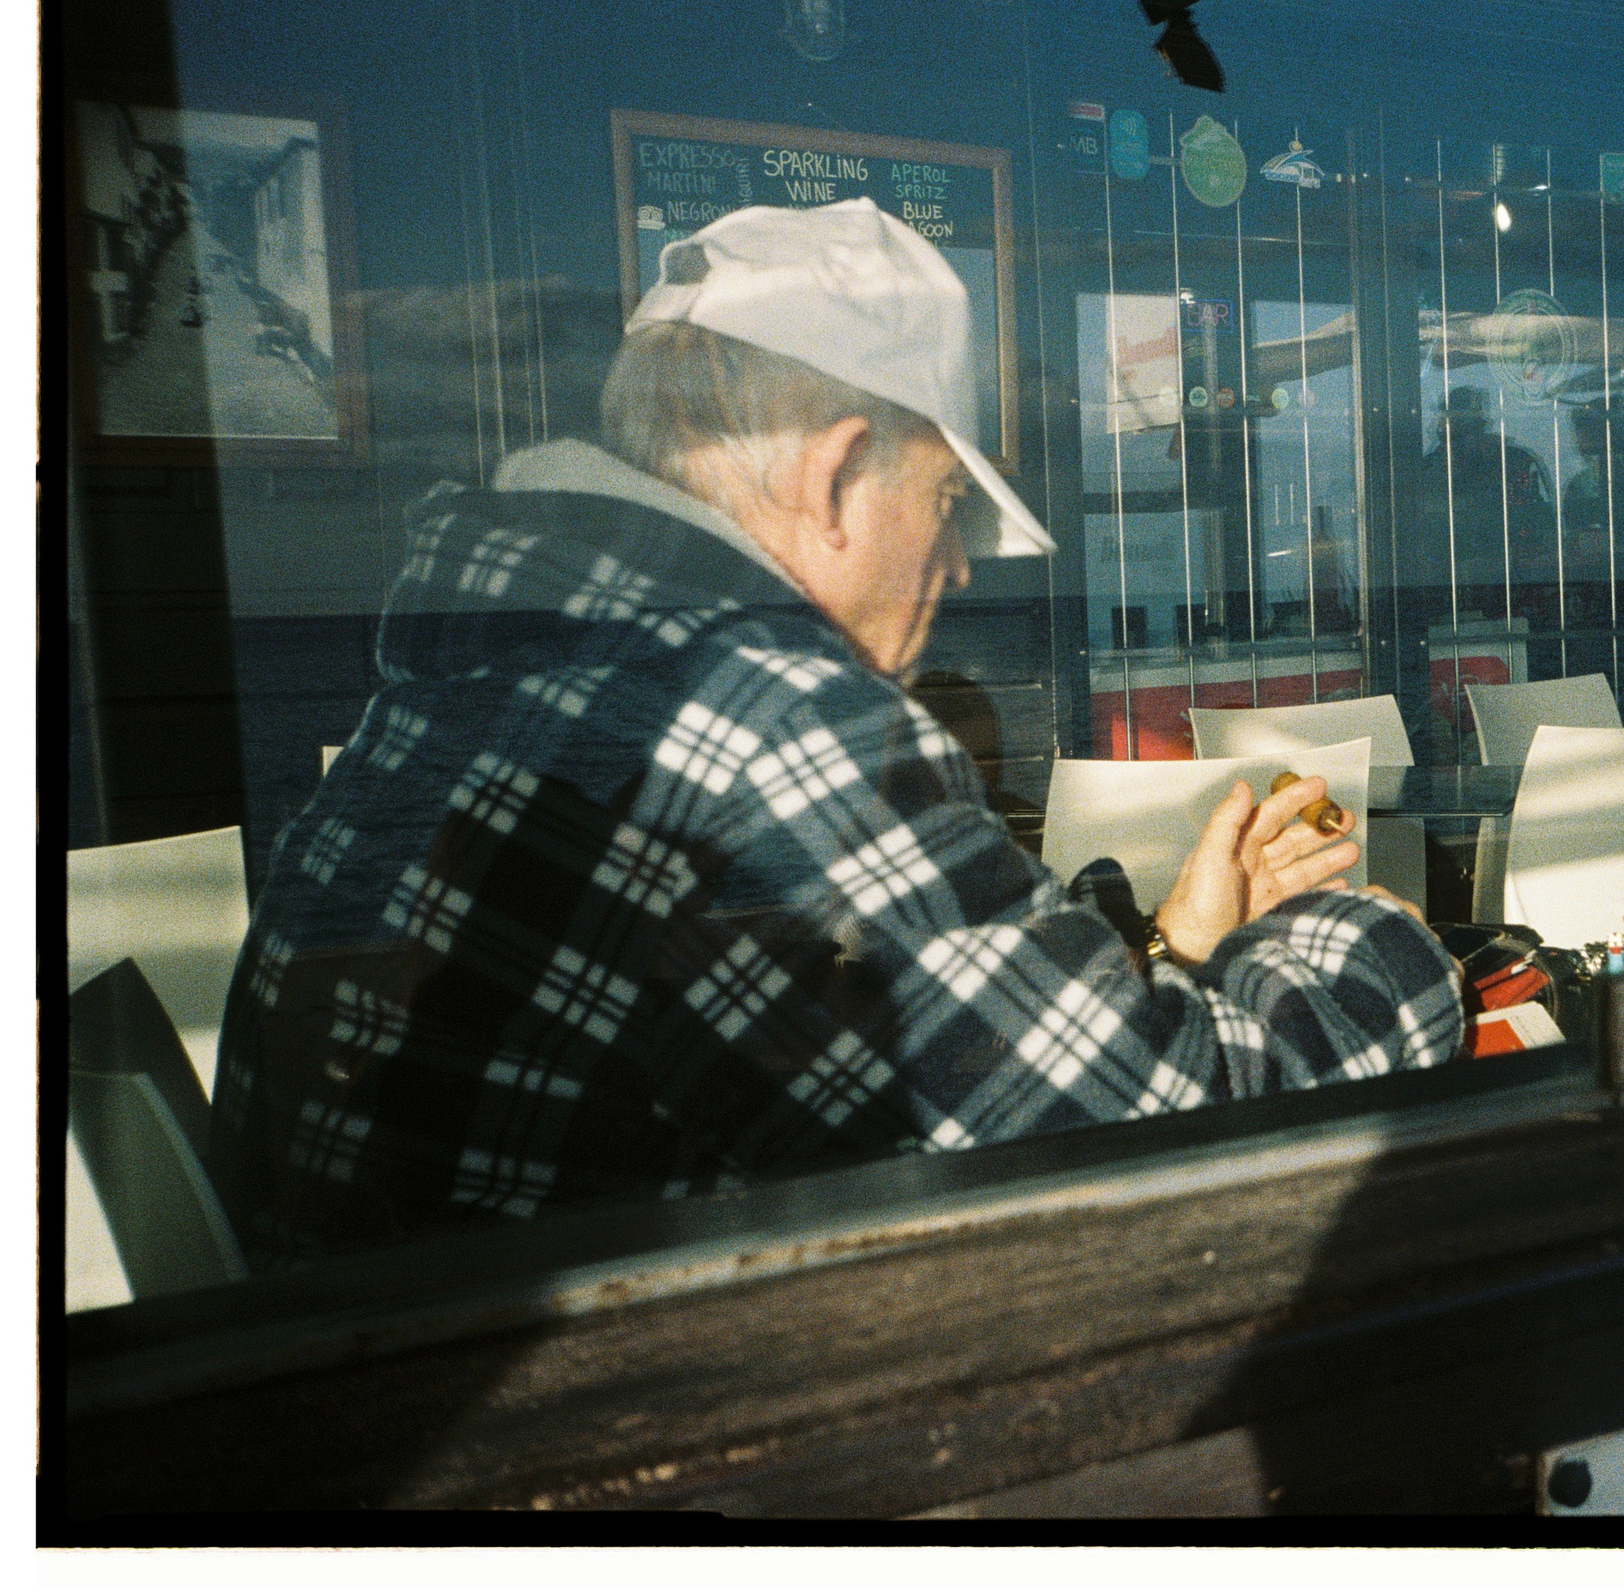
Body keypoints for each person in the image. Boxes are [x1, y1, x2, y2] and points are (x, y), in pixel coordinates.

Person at [209, 199, 1465, 1269]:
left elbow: (884, 1072)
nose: (962, 568)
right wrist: (1377, 947)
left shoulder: (496, 677)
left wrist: (1176, 946)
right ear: (834, 475)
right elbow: (1167, 1144)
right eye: (947, 504)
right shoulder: (759, 714)